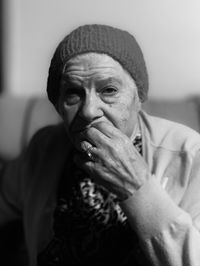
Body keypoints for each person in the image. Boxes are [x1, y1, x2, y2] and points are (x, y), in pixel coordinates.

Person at [1, 24, 200, 266]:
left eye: (109, 90)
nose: (88, 111)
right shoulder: (44, 148)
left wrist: (138, 188)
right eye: (73, 92)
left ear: (139, 98)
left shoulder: (190, 154)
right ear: (58, 103)